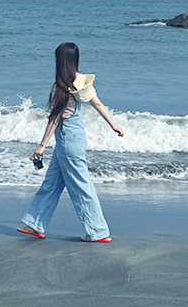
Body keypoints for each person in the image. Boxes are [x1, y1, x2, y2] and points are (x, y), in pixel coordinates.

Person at [17, 42, 125, 242]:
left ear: (60, 61)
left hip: (67, 139)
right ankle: (35, 224)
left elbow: (55, 118)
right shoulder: (81, 81)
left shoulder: (60, 86)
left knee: (80, 186)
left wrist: (42, 146)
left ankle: (97, 231)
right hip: (74, 137)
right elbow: (98, 103)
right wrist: (113, 125)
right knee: (51, 183)